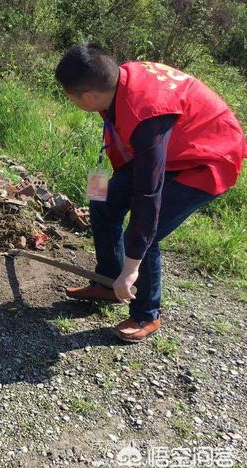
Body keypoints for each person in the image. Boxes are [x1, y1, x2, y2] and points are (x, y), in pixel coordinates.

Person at [54, 43, 246, 342]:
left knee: (147, 233)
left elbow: (148, 196)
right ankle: (108, 281)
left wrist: (132, 267)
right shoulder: (120, 82)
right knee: (101, 200)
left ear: (88, 96)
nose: (71, 102)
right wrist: (103, 188)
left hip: (206, 158)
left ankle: (146, 313)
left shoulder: (147, 116)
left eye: (71, 98)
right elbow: (124, 147)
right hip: (169, 150)